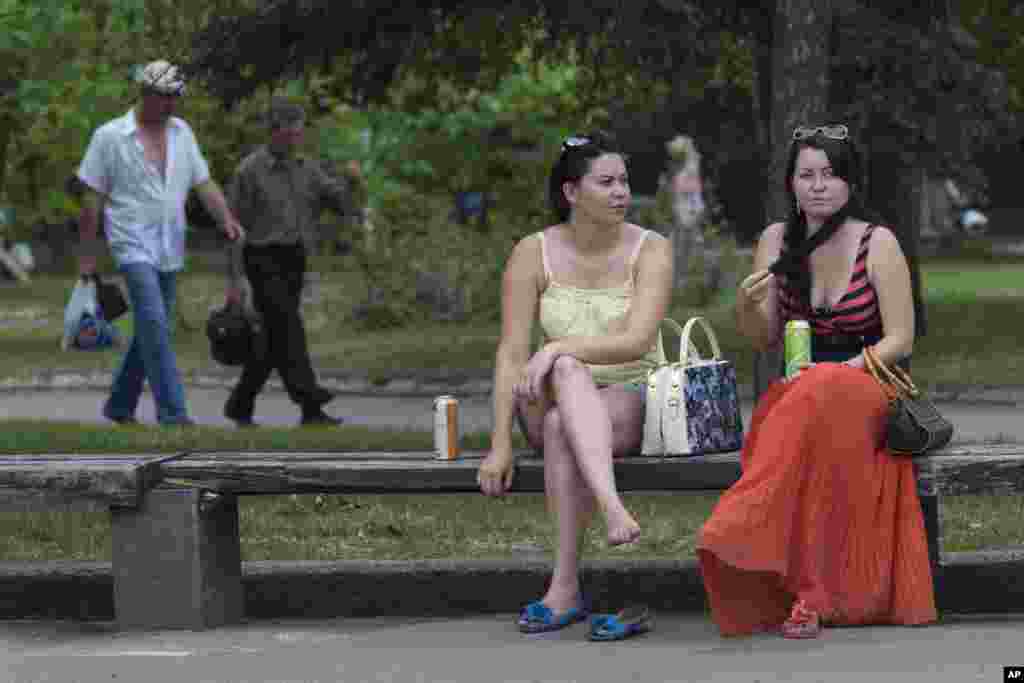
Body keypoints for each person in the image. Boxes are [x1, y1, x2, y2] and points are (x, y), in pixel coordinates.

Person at [697, 123, 937, 638]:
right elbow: (763, 340)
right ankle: (808, 591)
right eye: (806, 174)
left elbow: (901, 340)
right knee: (805, 417)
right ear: (791, 183)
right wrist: (746, 305)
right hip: (799, 391)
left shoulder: (879, 242)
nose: (819, 185)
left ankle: (747, 532)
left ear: (851, 182)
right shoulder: (776, 241)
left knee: (816, 395)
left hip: (868, 381)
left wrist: (839, 372)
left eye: (831, 174)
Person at [476, 132, 673, 637]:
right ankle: (612, 509)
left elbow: (637, 340)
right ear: (570, 192)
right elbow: (511, 352)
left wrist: (560, 348)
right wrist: (500, 443)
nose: (620, 192)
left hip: (625, 396)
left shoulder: (652, 250)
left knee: (567, 399)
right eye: (605, 182)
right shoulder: (531, 253)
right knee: (563, 380)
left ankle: (563, 589)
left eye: (624, 182)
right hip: (541, 400)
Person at [76, 60, 244, 426]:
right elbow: (91, 202)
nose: (173, 105)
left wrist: (226, 218)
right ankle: (174, 415)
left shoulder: (182, 132)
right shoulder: (109, 137)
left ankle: (119, 405)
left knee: (153, 329)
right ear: (147, 94)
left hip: (170, 243)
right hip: (131, 243)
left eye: (176, 98)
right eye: (167, 98)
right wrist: (87, 261)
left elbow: (204, 182)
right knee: (153, 321)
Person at [223, 99, 363, 427]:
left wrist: (352, 181)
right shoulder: (249, 171)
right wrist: (235, 279)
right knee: (288, 325)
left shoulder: (306, 168)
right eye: (292, 132)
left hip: (294, 258)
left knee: (274, 339)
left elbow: (339, 202)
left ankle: (240, 404)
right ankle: (310, 397)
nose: (298, 138)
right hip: (261, 257)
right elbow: (231, 228)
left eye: (300, 132)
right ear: (275, 131)